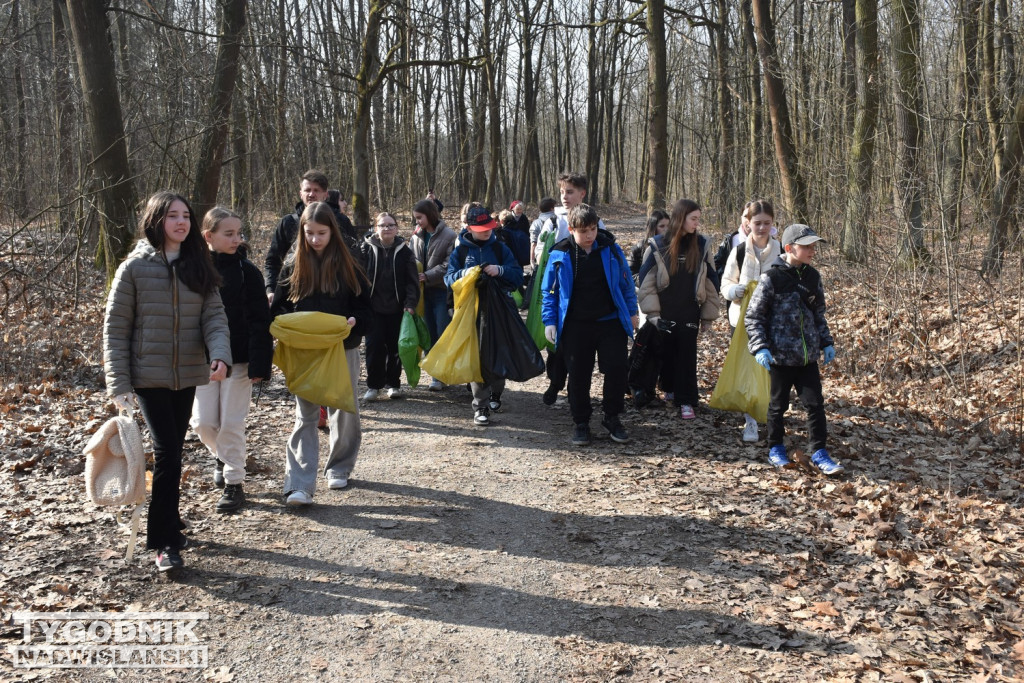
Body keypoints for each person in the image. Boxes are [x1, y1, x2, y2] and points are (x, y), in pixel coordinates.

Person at [103, 192, 232, 571]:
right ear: (155, 220)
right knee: (168, 453)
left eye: (186, 216)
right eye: (172, 216)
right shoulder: (133, 268)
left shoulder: (198, 264)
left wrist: (219, 354)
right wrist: (119, 383)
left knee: (173, 452)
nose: (181, 222)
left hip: (188, 373)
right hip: (148, 376)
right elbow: (115, 329)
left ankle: (170, 522)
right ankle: (164, 542)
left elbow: (214, 316)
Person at [270, 201, 371, 506]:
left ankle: (339, 467)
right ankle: (299, 485)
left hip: (342, 348)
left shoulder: (349, 262)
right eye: (309, 233)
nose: (315, 239)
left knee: (344, 410)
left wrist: (354, 322)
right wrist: (284, 323)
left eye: (321, 233)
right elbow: (280, 308)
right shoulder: (293, 263)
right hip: (304, 351)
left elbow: (365, 307)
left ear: (332, 232)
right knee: (306, 416)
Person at [190, 207, 273, 513]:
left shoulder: (248, 272)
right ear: (208, 236)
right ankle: (224, 457)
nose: (237, 239)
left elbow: (260, 321)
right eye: (229, 234)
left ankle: (234, 483)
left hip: (240, 361)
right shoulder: (193, 270)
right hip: (202, 361)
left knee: (231, 423)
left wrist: (260, 363)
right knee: (203, 423)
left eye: (239, 233)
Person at [745, 224, 843, 475]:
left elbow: (818, 313)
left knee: (815, 405)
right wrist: (760, 347)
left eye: (813, 246)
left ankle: (819, 452)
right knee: (778, 406)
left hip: (807, 357)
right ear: (789, 248)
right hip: (779, 358)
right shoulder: (771, 278)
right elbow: (754, 316)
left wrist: (826, 342)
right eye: (806, 246)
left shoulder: (813, 277)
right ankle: (776, 448)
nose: (812, 251)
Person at [542, 203, 638, 446]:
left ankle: (612, 417)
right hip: (575, 325)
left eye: (593, 229)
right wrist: (549, 321)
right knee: (578, 375)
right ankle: (581, 422)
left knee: (617, 368)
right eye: (583, 231)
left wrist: (632, 312)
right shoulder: (560, 254)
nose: (589, 235)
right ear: (571, 229)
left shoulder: (610, 249)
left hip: (610, 322)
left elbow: (626, 283)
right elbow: (549, 291)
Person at [637, 199, 722, 421]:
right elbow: (647, 282)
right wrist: (653, 315)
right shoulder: (658, 244)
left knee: (687, 355)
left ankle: (687, 401)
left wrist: (708, 316)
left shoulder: (702, 244)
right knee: (666, 352)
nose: (696, 223)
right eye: (693, 219)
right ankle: (668, 388)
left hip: (690, 309)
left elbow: (711, 281)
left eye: (698, 219)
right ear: (681, 218)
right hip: (665, 310)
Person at [444, 204, 523, 425]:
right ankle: (481, 405)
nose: (487, 231)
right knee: (478, 357)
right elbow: (448, 279)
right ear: (469, 228)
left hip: (500, 311)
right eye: (481, 228)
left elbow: (517, 275)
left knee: (499, 352)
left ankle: (496, 393)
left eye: (489, 227)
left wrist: (500, 270)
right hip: (471, 313)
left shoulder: (500, 249)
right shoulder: (460, 251)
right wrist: (465, 273)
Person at [535, 172, 605, 405]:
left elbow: (602, 249)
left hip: (582, 295)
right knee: (556, 345)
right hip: (558, 290)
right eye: (562, 192)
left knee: (575, 349)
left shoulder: (595, 221)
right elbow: (540, 253)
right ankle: (555, 383)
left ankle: (574, 392)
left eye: (570, 192)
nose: (564, 196)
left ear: (582, 194)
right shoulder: (553, 221)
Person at [720, 199, 781, 442]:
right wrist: (736, 291)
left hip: (773, 321)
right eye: (757, 223)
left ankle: (771, 414)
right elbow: (726, 284)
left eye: (767, 223)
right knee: (747, 371)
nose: (762, 228)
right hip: (742, 321)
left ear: (772, 223)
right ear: (748, 223)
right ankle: (751, 421)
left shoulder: (781, 251)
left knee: (770, 370)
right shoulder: (739, 250)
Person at [264, 169, 358, 302]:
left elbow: (355, 260)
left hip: (335, 295)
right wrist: (271, 289)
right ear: (300, 193)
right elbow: (273, 261)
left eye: (316, 190)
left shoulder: (341, 221)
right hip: (297, 295)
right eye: (307, 190)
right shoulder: (288, 223)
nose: (311, 194)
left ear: (325, 194)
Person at [360, 211, 419, 401]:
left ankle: (393, 384)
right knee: (374, 347)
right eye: (383, 225)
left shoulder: (405, 251)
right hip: (373, 309)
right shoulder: (365, 249)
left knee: (395, 348)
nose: (387, 228)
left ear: (396, 228)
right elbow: (358, 278)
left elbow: (412, 281)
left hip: (398, 309)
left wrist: (410, 303)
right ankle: (373, 386)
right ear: (375, 228)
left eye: (390, 225)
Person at [410, 198, 457, 390]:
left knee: (441, 331)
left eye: (419, 217)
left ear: (429, 215)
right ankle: (434, 373)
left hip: (440, 292)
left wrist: (427, 275)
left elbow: (450, 264)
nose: (417, 222)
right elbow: (411, 259)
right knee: (427, 332)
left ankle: (442, 374)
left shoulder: (449, 235)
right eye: (415, 218)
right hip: (422, 293)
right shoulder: (416, 236)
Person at [713, 200, 755, 280]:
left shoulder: (772, 243)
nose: (749, 220)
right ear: (741, 218)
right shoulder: (730, 241)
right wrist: (730, 278)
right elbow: (717, 265)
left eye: (753, 215)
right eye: (746, 216)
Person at [629, 210, 669, 284]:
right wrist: (651, 279)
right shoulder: (638, 249)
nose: (666, 230)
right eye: (662, 226)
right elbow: (631, 276)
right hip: (645, 287)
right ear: (653, 228)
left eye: (669, 226)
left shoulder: (675, 247)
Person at [529, 197, 557, 268]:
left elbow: (533, 243)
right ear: (552, 208)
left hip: (540, 258)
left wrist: (532, 260)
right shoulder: (558, 220)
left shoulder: (536, 223)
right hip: (556, 256)